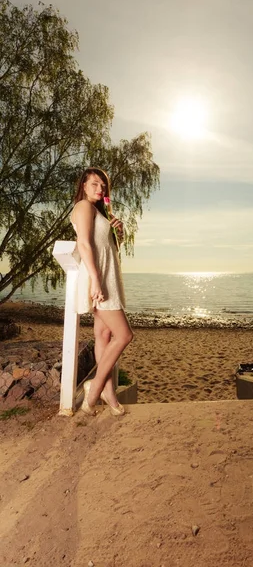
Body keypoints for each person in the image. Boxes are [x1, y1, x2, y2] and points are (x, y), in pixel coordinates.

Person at [70, 168, 133, 416]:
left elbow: (107, 247)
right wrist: (95, 281)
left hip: (107, 275)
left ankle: (109, 394)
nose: (100, 189)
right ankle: (94, 391)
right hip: (99, 278)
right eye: (95, 184)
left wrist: (119, 233)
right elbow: (84, 244)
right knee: (124, 335)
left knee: (104, 335)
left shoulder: (99, 212)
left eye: (103, 186)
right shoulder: (84, 207)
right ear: (84, 185)